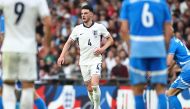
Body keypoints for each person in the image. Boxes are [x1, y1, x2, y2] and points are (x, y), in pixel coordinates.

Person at [57, 5, 113, 109]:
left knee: (95, 84)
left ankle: (97, 107)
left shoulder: (99, 27)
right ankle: (94, 104)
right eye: (82, 13)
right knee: (89, 88)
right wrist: (61, 56)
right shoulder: (77, 29)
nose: (83, 15)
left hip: (95, 59)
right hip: (83, 61)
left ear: (92, 14)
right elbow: (68, 43)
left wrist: (102, 49)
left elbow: (110, 39)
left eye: (86, 13)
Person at [120, 0, 173, 109]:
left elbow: (124, 30)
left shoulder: (128, 3)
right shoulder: (162, 3)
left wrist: (131, 48)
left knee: (138, 90)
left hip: (138, 50)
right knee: (161, 90)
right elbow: (169, 31)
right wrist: (165, 49)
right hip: (157, 49)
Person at [0, 0, 51, 109]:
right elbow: (48, 22)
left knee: (7, 87)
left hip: (9, 50)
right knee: (29, 89)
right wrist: (46, 45)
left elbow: (2, 38)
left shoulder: (5, 9)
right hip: (28, 50)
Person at [166, 35, 190, 109]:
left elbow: (168, 63)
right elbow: (173, 62)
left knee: (170, 94)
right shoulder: (176, 40)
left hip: (188, 70)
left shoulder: (171, 42)